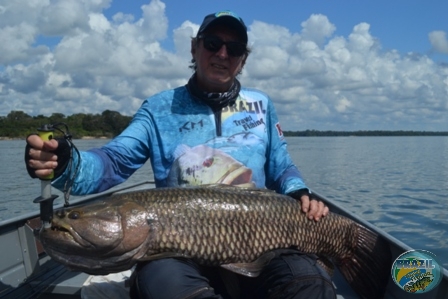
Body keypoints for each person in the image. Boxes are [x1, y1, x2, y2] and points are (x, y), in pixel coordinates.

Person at [25, 10, 335, 299]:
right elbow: (112, 162)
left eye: (235, 48)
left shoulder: (262, 105)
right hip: (176, 252)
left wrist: (299, 191)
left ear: (243, 59)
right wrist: (64, 163)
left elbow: (282, 167)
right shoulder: (159, 108)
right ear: (194, 48)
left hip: (262, 243)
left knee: (310, 282)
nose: (223, 54)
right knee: (164, 284)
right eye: (213, 44)